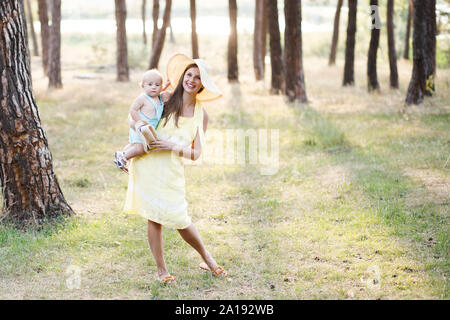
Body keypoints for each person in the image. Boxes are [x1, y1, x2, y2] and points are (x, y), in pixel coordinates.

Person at [123, 53, 227, 284]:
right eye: (189, 75)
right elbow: (134, 118)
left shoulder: (202, 115)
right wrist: (131, 145)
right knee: (154, 217)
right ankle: (162, 271)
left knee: (181, 218)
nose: (191, 80)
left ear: (202, 84)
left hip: (171, 171)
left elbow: (196, 153)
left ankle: (207, 258)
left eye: (197, 78)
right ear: (183, 77)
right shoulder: (165, 99)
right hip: (149, 165)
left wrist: (171, 145)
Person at [114, 69, 169, 173]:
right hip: (140, 128)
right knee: (141, 148)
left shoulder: (158, 97)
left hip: (148, 130)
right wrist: (139, 123)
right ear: (143, 86)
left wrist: (166, 85)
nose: (153, 87)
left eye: (157, 85)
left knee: (134, 145)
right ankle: (124, 157)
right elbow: (133, 109)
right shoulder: (143, 98)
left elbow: (159, 90)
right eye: (150, 84)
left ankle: (122, 155)